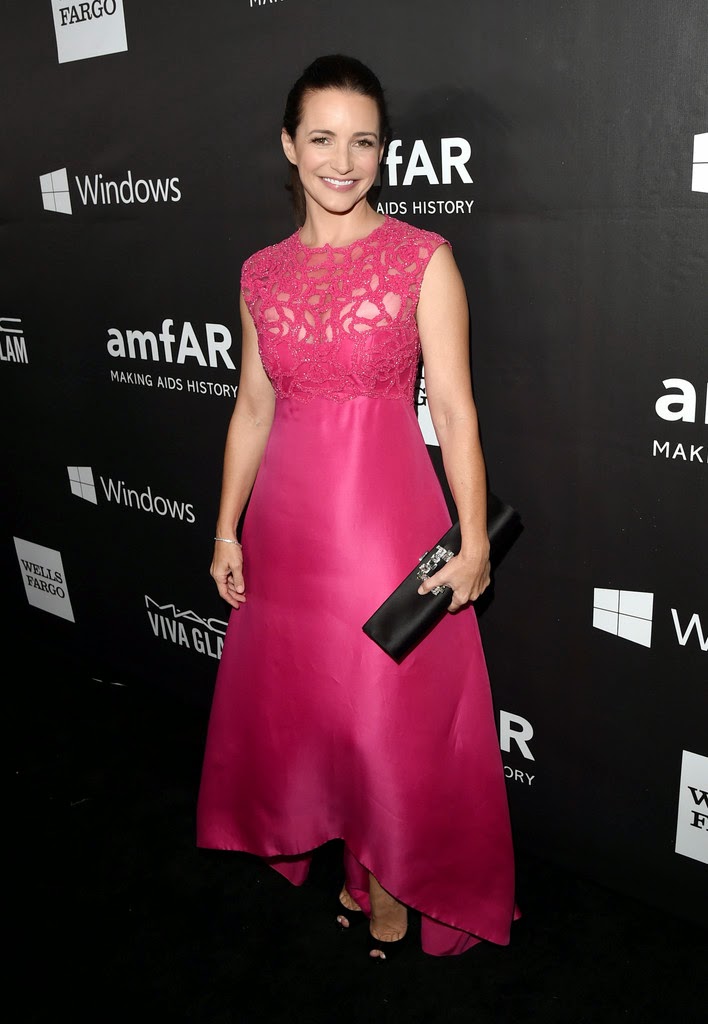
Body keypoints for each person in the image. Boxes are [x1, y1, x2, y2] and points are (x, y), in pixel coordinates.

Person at [196, 54, 518, 960]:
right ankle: (346, 856)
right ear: (288, 146)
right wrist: (226, 529)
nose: (343, 161)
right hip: (287, 534)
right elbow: (252, 407)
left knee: (384, 719)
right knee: (312, 709)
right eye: (323, 138)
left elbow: (453, 408)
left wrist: (473, 541)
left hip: (384, 526)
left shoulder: (423, 258)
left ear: (383, 151)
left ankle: (388, 872)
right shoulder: (261, 273)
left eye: (364, 141)